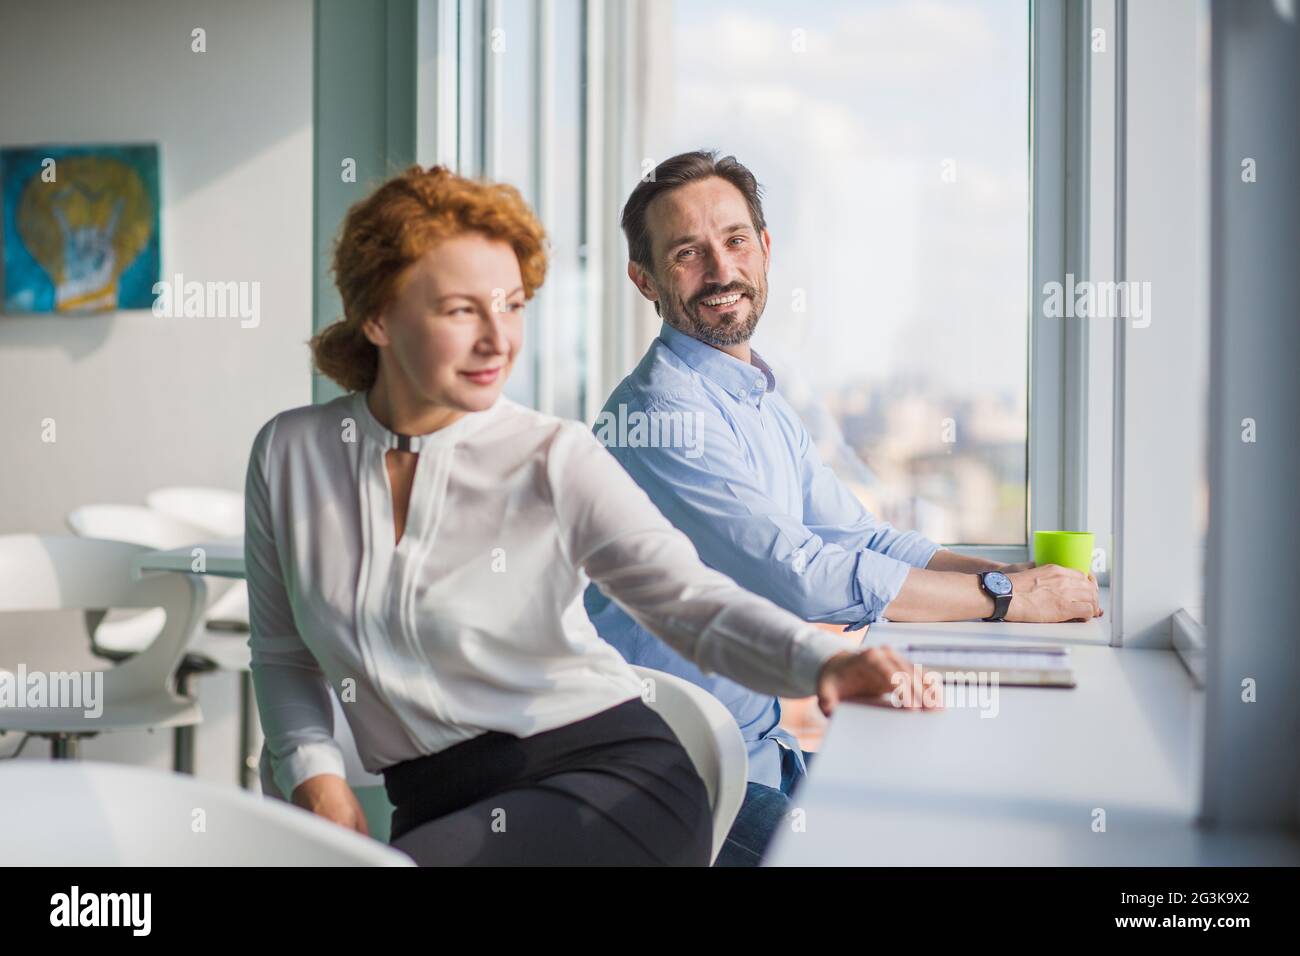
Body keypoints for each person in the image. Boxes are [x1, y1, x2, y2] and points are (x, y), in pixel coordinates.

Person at [244, 164, 940, 867]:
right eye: (461, 311)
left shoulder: (553, 455)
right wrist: (317, 778)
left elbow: (688, 602)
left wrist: (824, 663)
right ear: (378, 316)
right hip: (436, 803)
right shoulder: (289, 454)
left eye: (512, 306)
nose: (498, 341)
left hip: (611, 775)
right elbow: (280, 655)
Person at [584, 149, 1102, 865]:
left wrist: (1013, 576)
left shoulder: (755, 395)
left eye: (735, 241)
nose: (721, 270)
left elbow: (859, 536)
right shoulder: (661, 412)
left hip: (759, 745)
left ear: (765, 250)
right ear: (645, 279)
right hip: (668, 770)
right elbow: (795, 572)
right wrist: (1003, 597)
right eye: (687, 253)